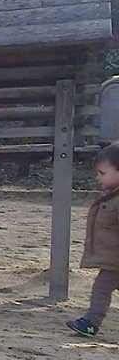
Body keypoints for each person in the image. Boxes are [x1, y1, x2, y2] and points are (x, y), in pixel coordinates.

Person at [65, 143, 119, 337]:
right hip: (113, 261)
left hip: (115, 262)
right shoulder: (110, 197)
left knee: (101, 289)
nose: (98, 178)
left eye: (102, 173)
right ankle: (91, 322)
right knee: (101, 289)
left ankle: (91, 322)